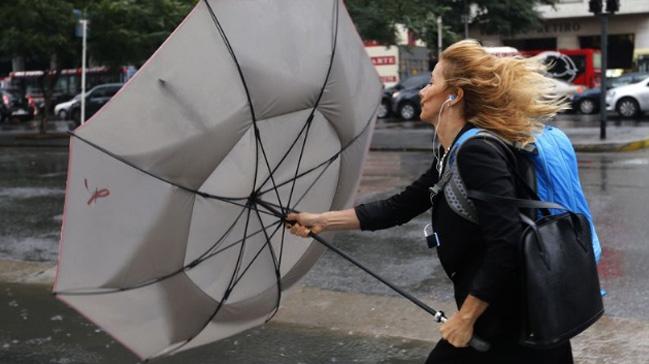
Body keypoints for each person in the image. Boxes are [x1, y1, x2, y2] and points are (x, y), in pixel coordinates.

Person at [285, 39, 574, 363]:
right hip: (500, 317)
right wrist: (322, 221)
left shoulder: (477, 153)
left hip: (512, 324)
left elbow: (505, 242)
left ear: (454, 95)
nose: (422, 91)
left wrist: (466, 318)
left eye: (432, 82)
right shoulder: (454, 154)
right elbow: (399, 207)